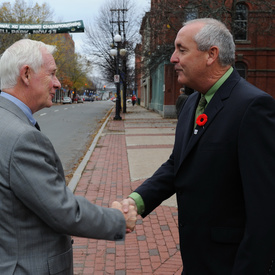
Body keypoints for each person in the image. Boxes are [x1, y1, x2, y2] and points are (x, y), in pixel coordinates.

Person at [122, 18, 275, 275]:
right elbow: (177, 164)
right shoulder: (191, 103)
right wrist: (136, 201)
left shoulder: (254, 108)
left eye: (182, 49)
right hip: (197, 261)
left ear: (211, 55)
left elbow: (265, 212)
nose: (173, 58)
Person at [0, 39, 137, 274]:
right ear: (26, 74)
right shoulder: (22, 138)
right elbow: (63, 211)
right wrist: (117, 220)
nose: (57, 83)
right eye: (52, 74)